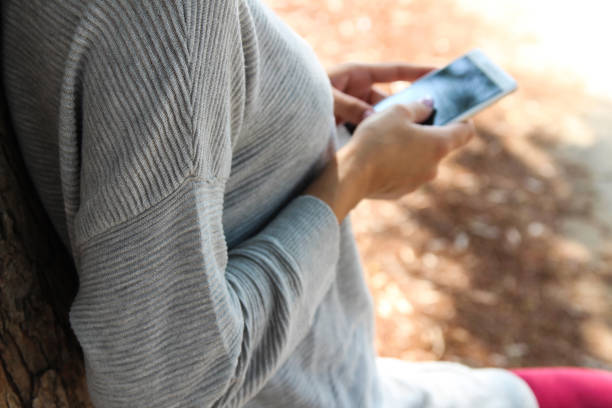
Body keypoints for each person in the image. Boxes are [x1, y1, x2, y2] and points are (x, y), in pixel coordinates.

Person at [2, 0, 611, 407]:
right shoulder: (172, 22)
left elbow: (130, 133)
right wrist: (357, 174)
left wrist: (272, 111)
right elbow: (168, 387)